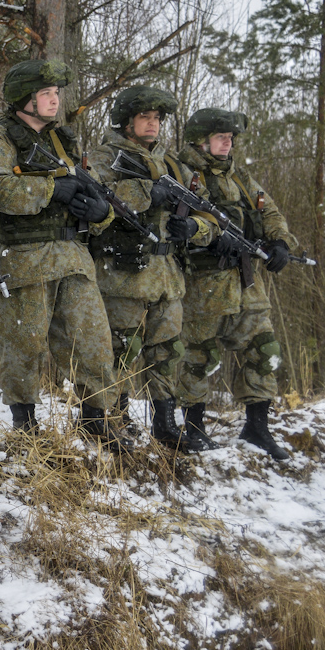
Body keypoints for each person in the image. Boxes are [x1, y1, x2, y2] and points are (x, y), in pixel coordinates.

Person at [0, 60, 128, 450]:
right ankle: (25, 428)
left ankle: (96, 420)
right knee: (23, 346)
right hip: (25, 258)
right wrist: (48, 190)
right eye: (46, 93)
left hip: (73, 257)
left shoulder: (64, 141)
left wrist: (101, 214)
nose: (54, 100)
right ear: (23, 99)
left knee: (93, 343)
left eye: (56, 93)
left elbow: (93, 189)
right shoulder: (0, 138)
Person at [87, 86, 221, 453]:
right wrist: (147, 194)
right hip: (122, 275)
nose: (153, 124)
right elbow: (96, 199)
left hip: (167, 276)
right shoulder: (104, 156)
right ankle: (112, 419)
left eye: (158, 118)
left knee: (168, 352)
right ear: (126, 120)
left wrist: (196, 229)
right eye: (145, 117)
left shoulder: (173, 164)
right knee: (119, 352)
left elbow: (208, 214)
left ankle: (164, 421)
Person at [175, 109, 302, 461]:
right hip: (201, 286)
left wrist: (280, 244)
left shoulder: (241, 178)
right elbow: (176, 224)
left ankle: (257, 428)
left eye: (230, 137)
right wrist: (208, 236)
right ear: (200, 141)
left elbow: (271, 214)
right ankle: (194, 429)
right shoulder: (184, 175)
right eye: (220, 136)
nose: (228, 142)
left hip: (246, 283)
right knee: (198, 358)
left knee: (265, 350)